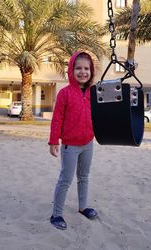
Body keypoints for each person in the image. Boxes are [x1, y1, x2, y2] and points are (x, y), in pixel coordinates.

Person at [48, 51, 98, 230]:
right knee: (65, 179)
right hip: (70, 145)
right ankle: (56, 214)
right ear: (71, 70)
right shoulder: (65, 93)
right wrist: (54, 140)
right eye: (78, 68)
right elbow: (57, 119)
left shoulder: (94, 92)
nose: (83, 72)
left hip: (88, 144)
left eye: (86, 68)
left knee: (84, 176)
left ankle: (83, 207)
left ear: (91, 71)